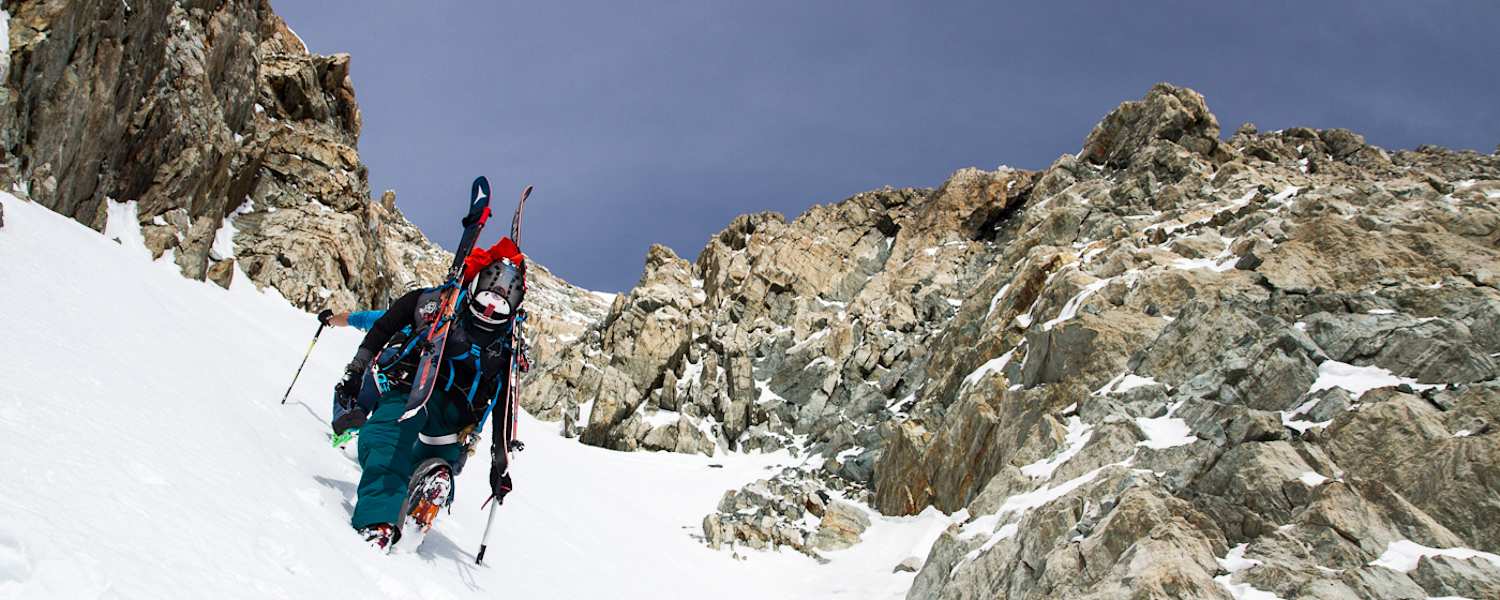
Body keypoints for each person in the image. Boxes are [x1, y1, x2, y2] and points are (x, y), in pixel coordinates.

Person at [332, 237, 530, 550]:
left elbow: (380, 327)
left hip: (412, 396)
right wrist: (499, 462)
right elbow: (504, 407)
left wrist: (356, 369)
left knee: (383, 439)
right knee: (426, 458)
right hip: (454, 427)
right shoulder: (504, 350)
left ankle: (379, 521)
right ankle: (432, 482)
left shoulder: (429, 304)